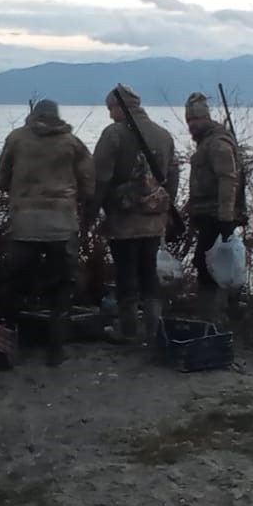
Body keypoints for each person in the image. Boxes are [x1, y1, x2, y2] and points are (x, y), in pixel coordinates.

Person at [0, 99, 94, 366]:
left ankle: (9, 343)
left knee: (15, 284)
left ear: (33, 115)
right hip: (62, 225)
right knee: (63, 285)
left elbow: (1, 180)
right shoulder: (72, 143)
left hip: (24, 225)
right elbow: (88, 184)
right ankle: (56, 349)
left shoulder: (16, 139)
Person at [91, 85, 179, 343]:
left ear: (121, 107)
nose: (110, 115)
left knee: (126, 271)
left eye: (111, 109)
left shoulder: (114, 134)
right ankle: (153, 329)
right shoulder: (164, 135)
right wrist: (165, 206)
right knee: (148, 271)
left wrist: (92, 211)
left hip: (123, 218)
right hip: (154, 219)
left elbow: (100, 178)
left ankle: (128, 330)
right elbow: (173, 175)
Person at [185, 91, 243, 325]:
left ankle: (213, 319)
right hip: (208, 214)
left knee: (209, 267)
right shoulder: (207, 142)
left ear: (205, 119)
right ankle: (214, 317)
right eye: (189, 121)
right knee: (208, 266)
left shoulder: (217, 143)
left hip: (216, 217)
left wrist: (225, 218)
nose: (191, 126)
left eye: (195, 120)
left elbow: (228, 180)